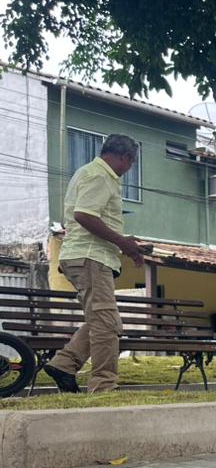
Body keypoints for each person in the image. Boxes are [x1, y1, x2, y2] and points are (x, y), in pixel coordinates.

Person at [44, 134, 149, 394]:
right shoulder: (101, 175)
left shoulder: (90, 173)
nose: (128, 169)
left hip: (89, 256)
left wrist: (126, 245)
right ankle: (103, 385)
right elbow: (84, 215)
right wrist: (122, 243)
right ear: (125, 157)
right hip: (90, 257)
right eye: (131, 163)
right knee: (107, 324)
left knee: (102, 320)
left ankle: (64, 364)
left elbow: (93, 219)